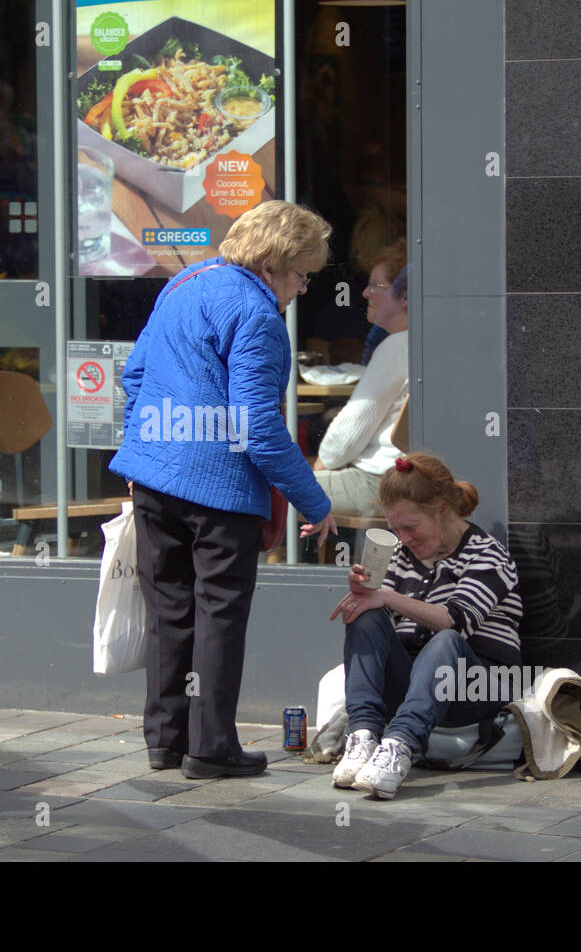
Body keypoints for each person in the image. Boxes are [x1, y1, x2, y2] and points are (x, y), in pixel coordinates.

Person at [111, 200, 339, 780]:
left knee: (169, 609)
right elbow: (259, 427)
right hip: (219, 489)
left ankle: (165, 740)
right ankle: (211, 748)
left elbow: (134, 374)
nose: (302, 288)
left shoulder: (186, 282)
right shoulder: (257, 314)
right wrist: (316, 502)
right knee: (219, 615)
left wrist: (146, 449)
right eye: (301, 274)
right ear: (271, 264)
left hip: (156, 479)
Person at [328, 453, 523, 799]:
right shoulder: (402, 557)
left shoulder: (487, 554)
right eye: (395, 529)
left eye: (411, 527)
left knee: (445, 639)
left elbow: (455, 620)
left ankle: (400, 746)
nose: (403, 539)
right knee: (366, 615)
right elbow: (378, 614)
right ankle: (362, 736)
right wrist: (365, 592)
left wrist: (386, 597)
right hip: (417, 684)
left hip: (474, 689)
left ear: (442, 511)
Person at [312, 247, 410, 518]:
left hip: (379, 483)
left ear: (404, 297)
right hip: (405, 481)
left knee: (273, 492)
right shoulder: (425, 344)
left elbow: (344, 439)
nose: (366, 293)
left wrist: (322, 464)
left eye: (376, 286)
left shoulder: (398, 347)